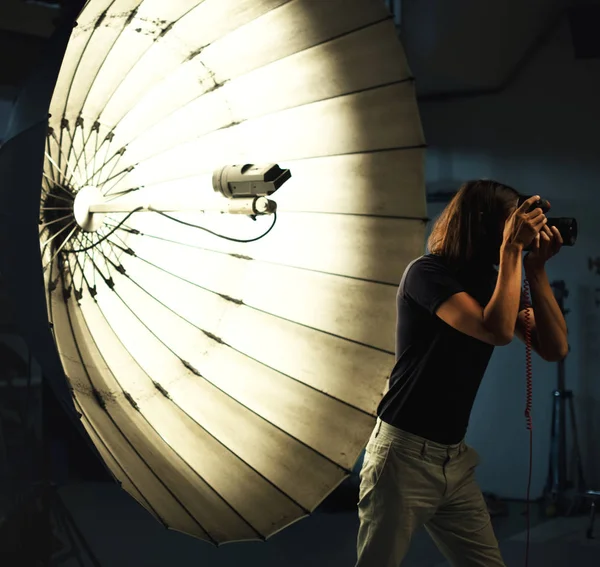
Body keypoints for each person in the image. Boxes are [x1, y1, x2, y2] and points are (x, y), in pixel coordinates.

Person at [355, 180, 569, 567]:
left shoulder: (492, 282)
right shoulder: (426, 274)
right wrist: (511, 251)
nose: (520, 229)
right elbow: (495, 330)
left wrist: (535, 270)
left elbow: (555, 348)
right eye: (513, 221)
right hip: (402, 457)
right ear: (485, 223)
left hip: (454, 459)